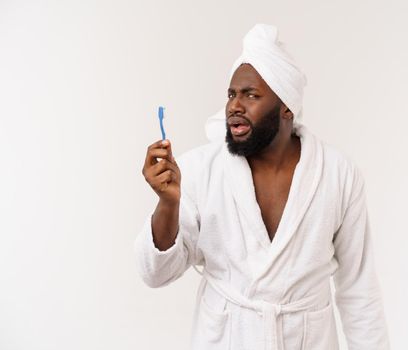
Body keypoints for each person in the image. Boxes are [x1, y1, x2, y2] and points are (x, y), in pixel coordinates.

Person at [135, 24, 390, 350]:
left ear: (286, 107)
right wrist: (167, 204)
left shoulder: (338, 174)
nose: (234, 106)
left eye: (251, 95)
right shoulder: (201, 169)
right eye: (231, 94)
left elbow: (359, 289)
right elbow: (155, 274)